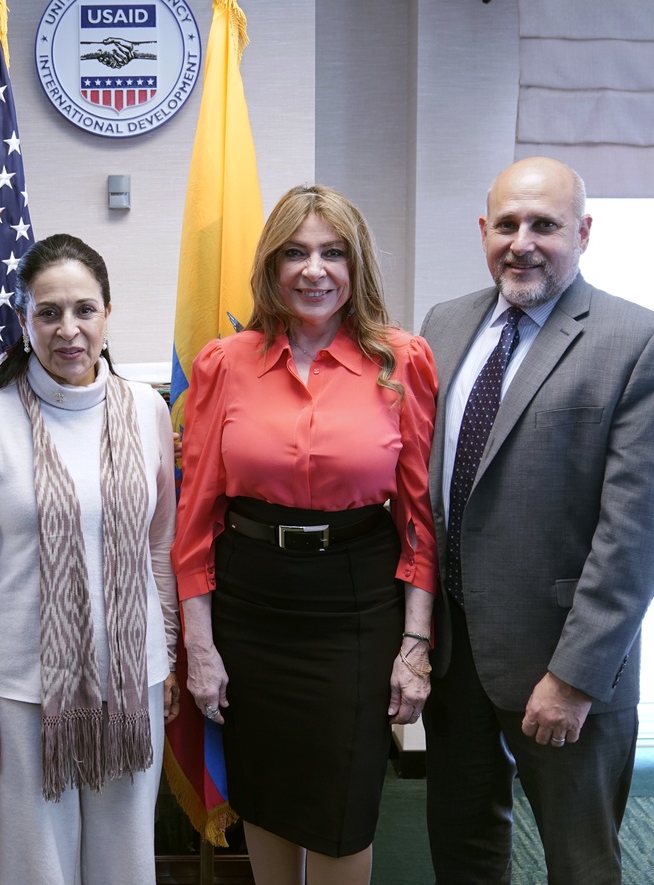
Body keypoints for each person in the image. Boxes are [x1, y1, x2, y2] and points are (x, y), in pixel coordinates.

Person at [420, 156, 654, 884]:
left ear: (584, 231)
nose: (523, 241)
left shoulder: (640, 342)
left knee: (580, 862)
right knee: (464, 848)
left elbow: (637, 532)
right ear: (484, 230)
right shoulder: (443, 325)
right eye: (507, 224)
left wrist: (573, 677)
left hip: (564, 664)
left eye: (545, 224)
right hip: (455, 657)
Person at [172, 184, 438, 885]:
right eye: (295, 252)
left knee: (341, 803)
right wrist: (199, 645)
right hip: (250, 603)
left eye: (331, 252)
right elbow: (194, 516)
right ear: (271, 265)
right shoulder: (223, 363)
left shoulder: (401, 360)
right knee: (265, 793)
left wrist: (415, 644)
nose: (313, 269)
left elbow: (418, 518)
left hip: (356, 601)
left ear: (356, 266)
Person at [0, 233, 180, 885]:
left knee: (125, 863)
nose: (68, 329)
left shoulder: (146, 410)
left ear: (108, 314)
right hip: (23, 691)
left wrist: (168, 655)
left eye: (84, 309)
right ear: (23, 322)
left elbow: (158, 544)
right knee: (39, 870)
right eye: (48, 312)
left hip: (132, 682)